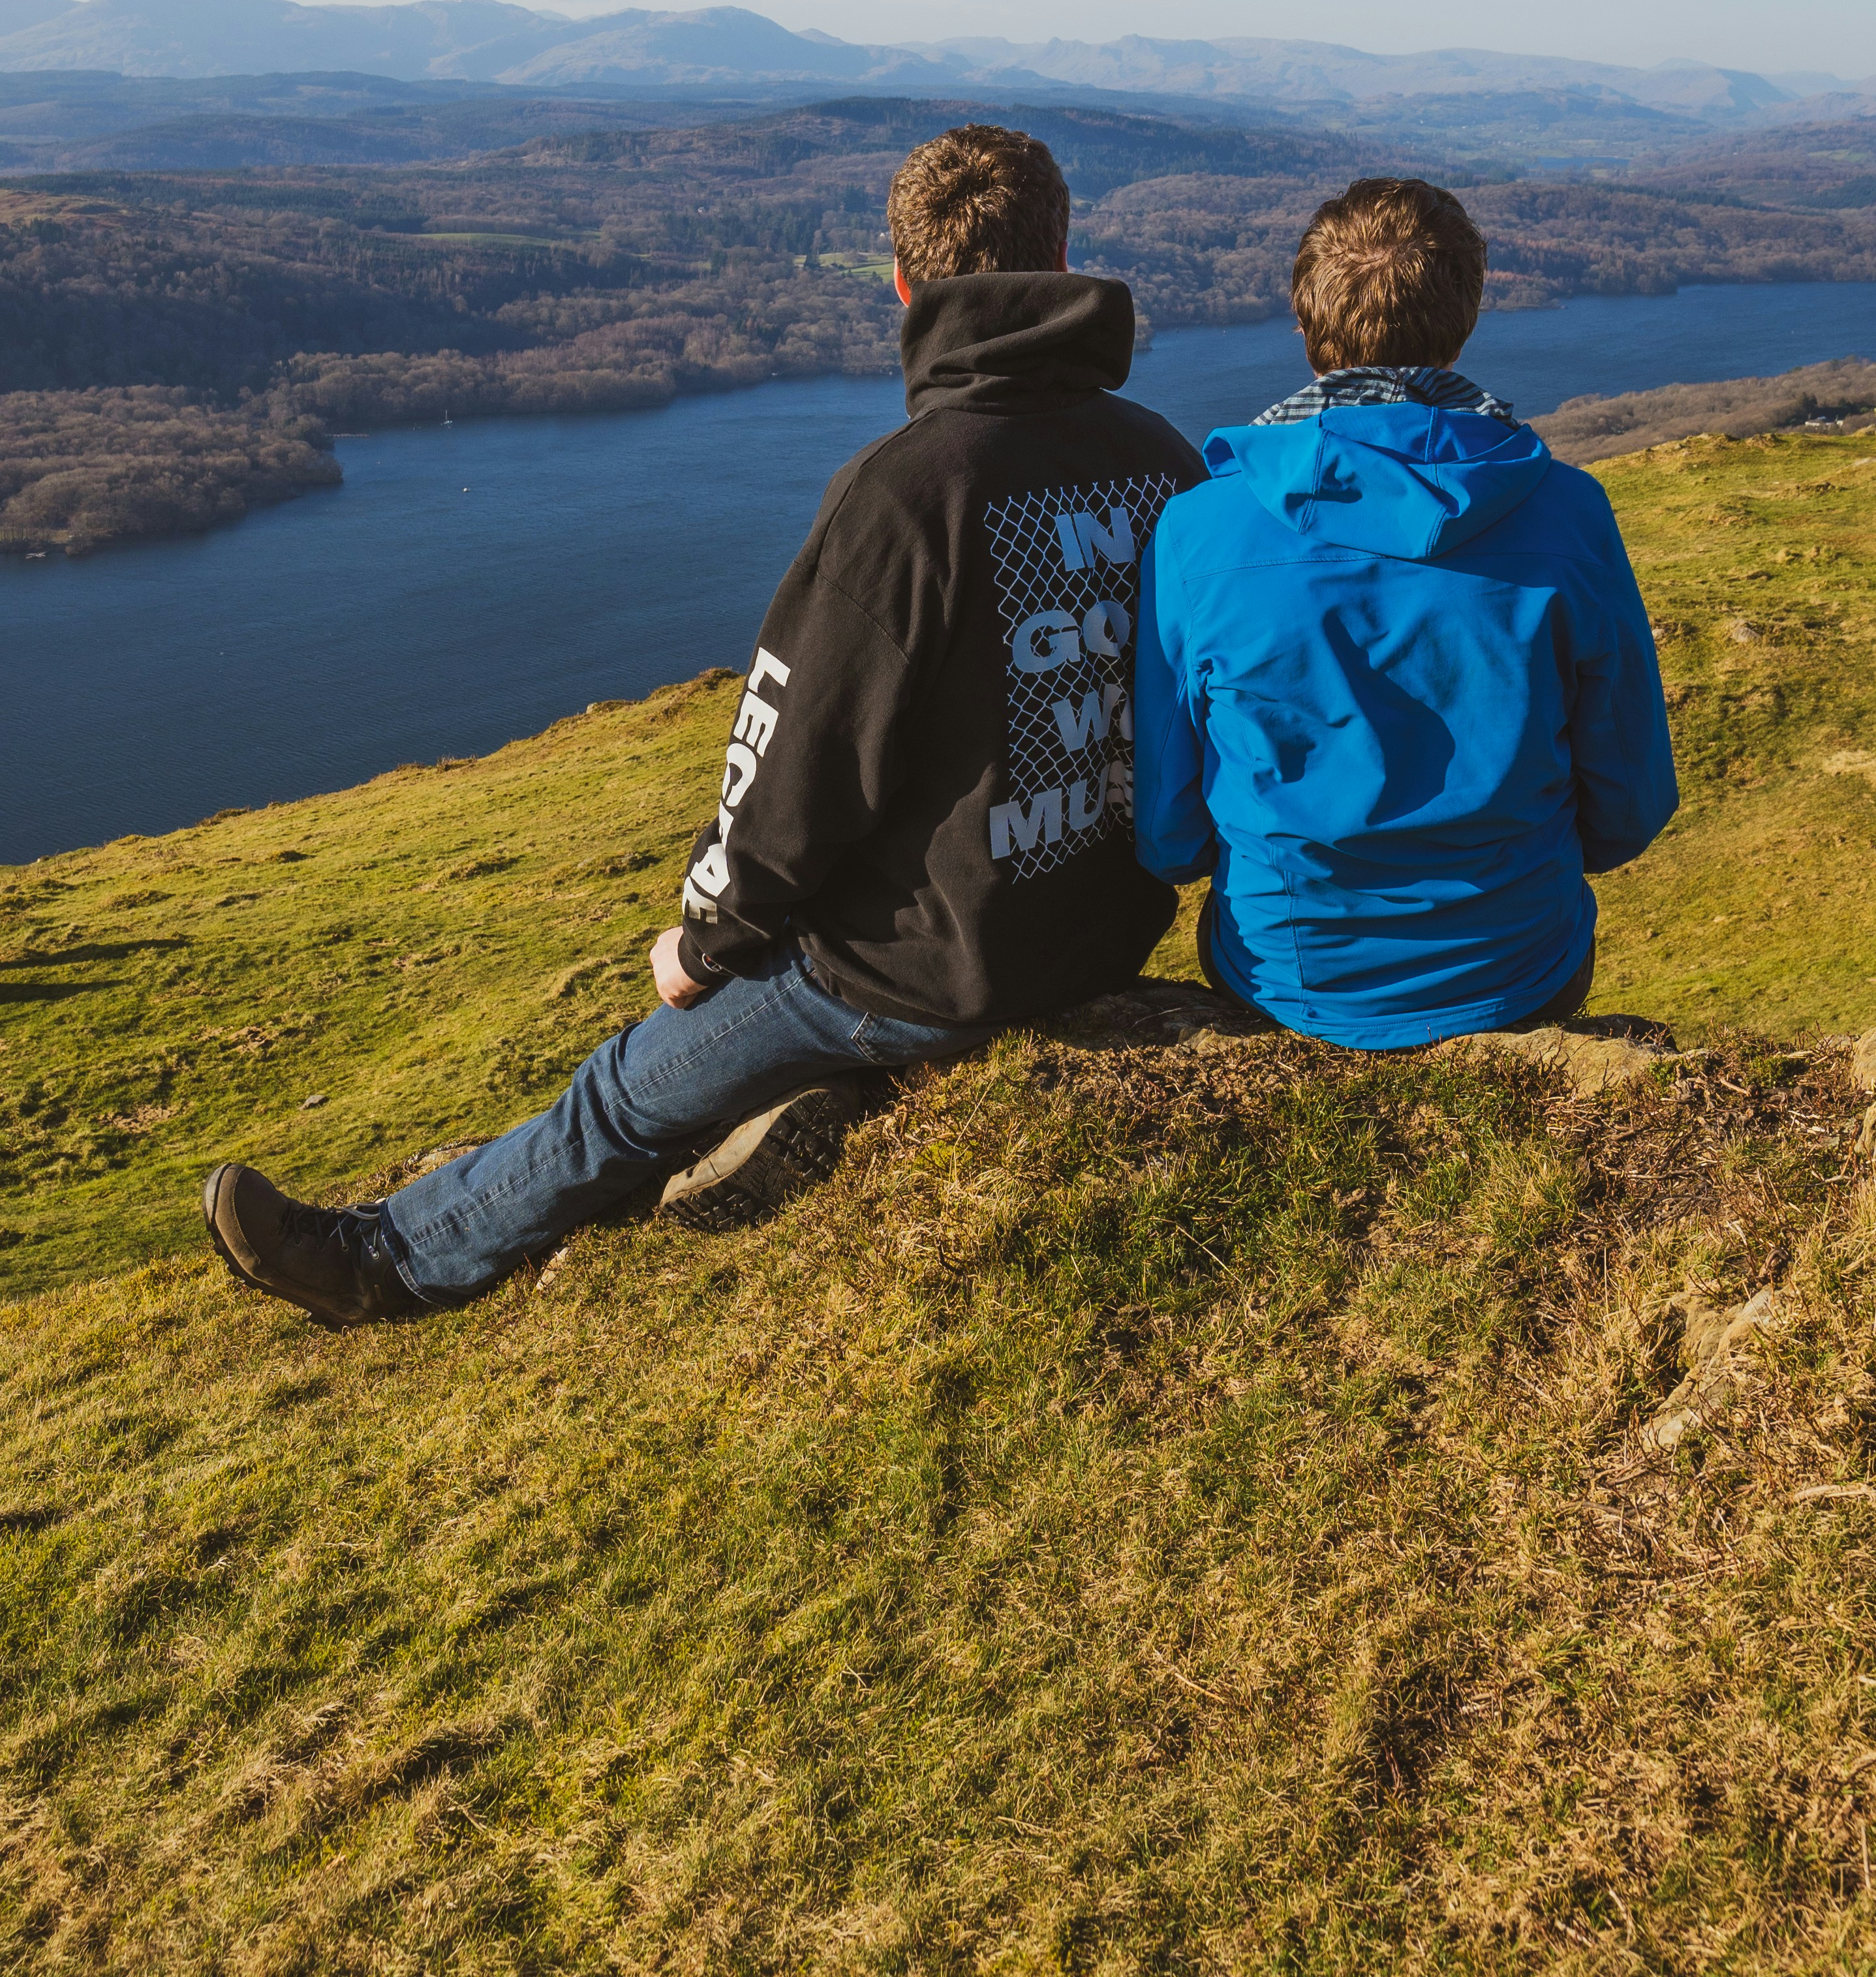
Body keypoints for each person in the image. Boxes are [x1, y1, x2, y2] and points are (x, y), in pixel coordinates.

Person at [205, 123, 1207, 1326]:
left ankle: (384, 1263)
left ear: (901, 284)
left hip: (931, 966)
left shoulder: (907, 492)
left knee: (623, 1091)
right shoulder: (1160, 461)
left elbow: (796, 763)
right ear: (1058, 254)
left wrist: (708, 938)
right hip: (1101, 924)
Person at [1132, 177, 1676, 1048]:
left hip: (1286, 972)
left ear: (1307, 324)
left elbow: (1167, 828)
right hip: (1517, 965)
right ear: (1462, 319)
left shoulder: (1202, 526)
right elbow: (1632, 806)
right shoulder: (1570, 514)